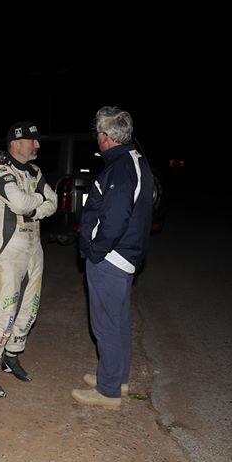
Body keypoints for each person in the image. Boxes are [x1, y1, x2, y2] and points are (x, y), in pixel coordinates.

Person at [72, 106, 153, 410]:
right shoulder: (133, 159)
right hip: (125, 257)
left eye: (98, 133)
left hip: (112, 258)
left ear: (105, 136)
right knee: (118, 322)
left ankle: (108, 393)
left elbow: (115, 218)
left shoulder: (120, 168)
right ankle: (116, 378)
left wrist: (95, 251)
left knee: (105, 325)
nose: (97, 138)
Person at [0, 122, 57, 397]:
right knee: (7, 308)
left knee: (30, 306)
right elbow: (20, 203)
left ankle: (11, 355)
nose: (37, 145)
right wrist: (36, 200)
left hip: (34, 245)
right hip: (9, 247)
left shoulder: (35, 171)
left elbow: (53, 202)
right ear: (16, 143)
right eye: (32, 141)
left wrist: (34, 209)